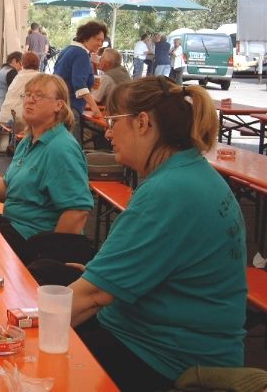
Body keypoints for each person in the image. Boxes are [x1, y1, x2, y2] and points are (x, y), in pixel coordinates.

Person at [68, 76, 246, 391]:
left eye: (113, 121)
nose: (107, 132)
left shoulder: (169, 191)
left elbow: (95, 295)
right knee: (53, 277)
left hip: (165, 358)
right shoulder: (191, 172)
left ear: (142, 123)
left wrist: (18, 333)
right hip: (173, 340)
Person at [0, 74, 93, 262]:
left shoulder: (61, 148)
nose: (30, 100)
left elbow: (77, 211)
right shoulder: (28, 141)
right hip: (13, 229)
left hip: (33, 243)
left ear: (58, 105)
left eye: (39, 96)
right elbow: (8, 190)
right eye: (27, 94)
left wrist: (48, 259)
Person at [53, 20, 105, 141]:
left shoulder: (68, 49)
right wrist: (95, 108)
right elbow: (79, 84)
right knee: (71, 144)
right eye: (97, 39)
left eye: (102, 41)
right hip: (71, 107)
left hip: (60, 104)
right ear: (86, 37)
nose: (100, 44)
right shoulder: (81, 54)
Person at [0, 52, 40, 132]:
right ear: (38, 63)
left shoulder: (18, 75)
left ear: (23, 63)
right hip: (18, 119)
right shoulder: (38, 77)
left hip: (4, 115)